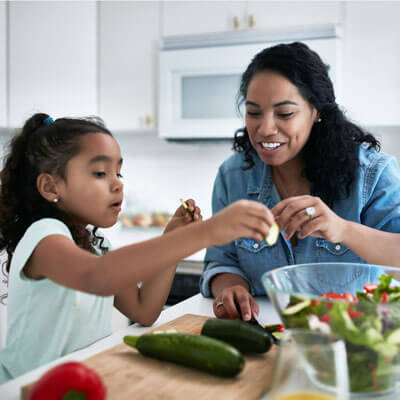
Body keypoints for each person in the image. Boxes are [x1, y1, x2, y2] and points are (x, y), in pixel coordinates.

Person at [0, 113, 275, 383]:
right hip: (22, 389)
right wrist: (206, 232)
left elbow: (144, 310)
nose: (118, 183)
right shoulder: (45, 235)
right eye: (99, 172)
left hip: (76, 381)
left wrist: (175, 239)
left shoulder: (97, 245)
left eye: (118, 172)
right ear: (50, 186)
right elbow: (95, 276)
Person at [200, 42, 400, 322]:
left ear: (316, 111)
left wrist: (341, 229)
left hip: (354, 338)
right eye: (254, 112)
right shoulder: (232, 177)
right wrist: (231, 287)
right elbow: (222, 260)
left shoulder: (372, 174)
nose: (265, 128)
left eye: (285, 114)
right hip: (263, 336)